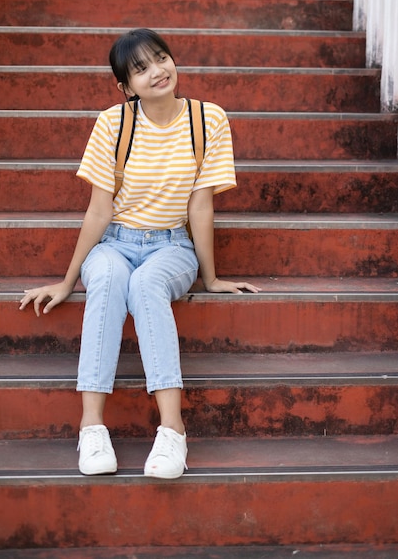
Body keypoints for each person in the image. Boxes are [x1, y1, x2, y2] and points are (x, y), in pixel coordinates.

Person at [19, 28, 259, 479]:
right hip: (114, 241)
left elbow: (201, 205)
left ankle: (173, 431)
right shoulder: (114, 122)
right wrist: (68, 281)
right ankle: (92, 428)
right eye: (141, 69)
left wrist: (210, 278)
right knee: (109, 279)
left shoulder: (209, 120)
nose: (157, 72)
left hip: (172, 245)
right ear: (126, 88)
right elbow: (98, 210)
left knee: (147, 284)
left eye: (161, 58)